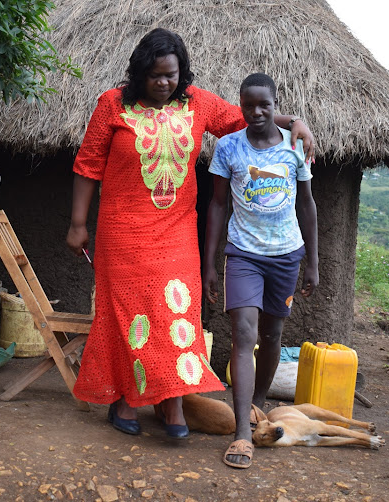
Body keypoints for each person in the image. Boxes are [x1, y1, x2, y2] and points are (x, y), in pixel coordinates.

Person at [66, 28, 316, 439]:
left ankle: (174, 403)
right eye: (155, 76)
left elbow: (246, 118)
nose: (164, 83)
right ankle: (129, 398)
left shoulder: (196, 102)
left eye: (171, 75)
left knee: (176, 311)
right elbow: (88, 164)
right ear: (139, 73)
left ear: (181, 74)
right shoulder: (112, 105)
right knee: (130, 313)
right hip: (122, 229)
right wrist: (78, 224)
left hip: (177, 228)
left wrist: (296, 122)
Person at [203, 73, 319, 468]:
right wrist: (211, 263)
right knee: (243, 334)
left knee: (271, 336)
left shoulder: (293, 147)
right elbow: (217, 205)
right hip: (243, 255)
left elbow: (307, 205)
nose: (256, 112)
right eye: (248, 105)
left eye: (263, 105)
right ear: (240, 104)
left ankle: (257, 405)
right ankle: (240, 435)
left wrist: (313, 263)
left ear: (275, 104)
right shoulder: (227, 147)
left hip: (287, 256)